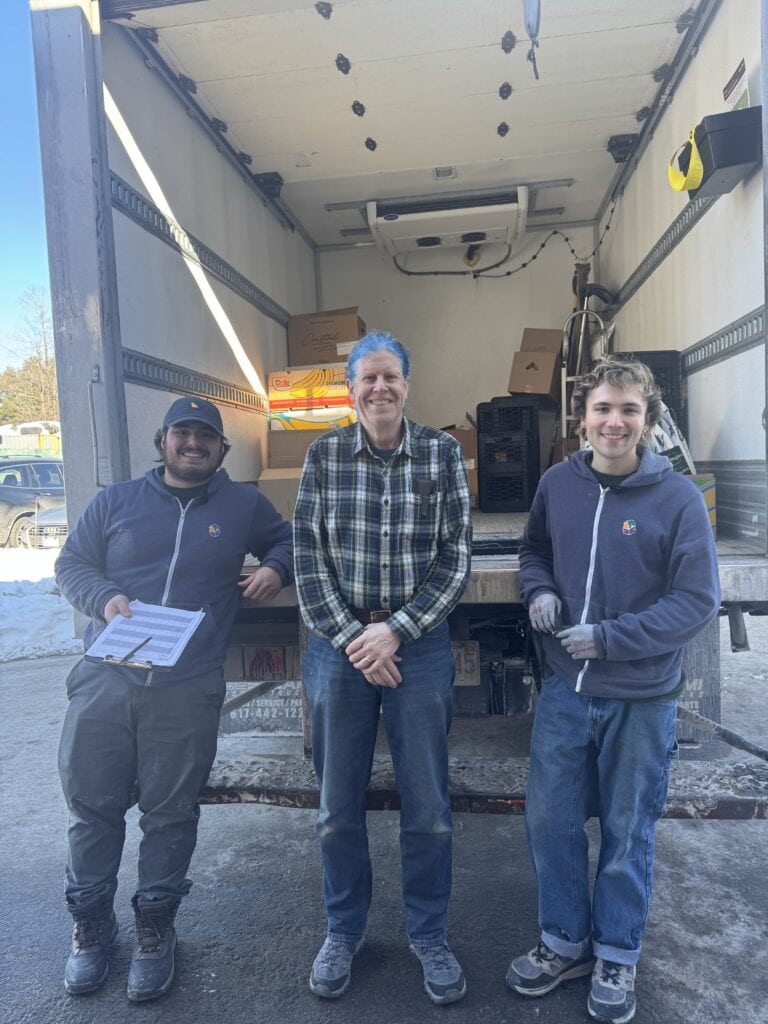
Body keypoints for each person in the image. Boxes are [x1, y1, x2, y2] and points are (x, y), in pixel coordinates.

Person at [55, 396, 293, 1002]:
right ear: (162, 441)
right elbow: (71, 564)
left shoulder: (243, 504)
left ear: (222, 449)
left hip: (186, 685)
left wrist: (275, 568)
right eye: (183, 434)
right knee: (93, 805)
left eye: (206, 437)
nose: (194, 444)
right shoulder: (115, 502)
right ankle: (91, 927)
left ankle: (156, 929)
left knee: (170, 812)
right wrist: (104, 597)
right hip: (107, 675)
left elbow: (291, 541)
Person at [506, 356, 720, 1023]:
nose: (614, 421)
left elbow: (697, 601)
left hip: (641, 696)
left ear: (648, 420)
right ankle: (564, 941)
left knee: (629, 828)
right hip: (566, 691)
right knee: (552, 819)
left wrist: (612, 637)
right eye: (603, 408)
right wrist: (537, 589)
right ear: (582, 420)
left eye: (629, 410)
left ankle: (618, 953)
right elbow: (532, 549)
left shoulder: (678, 498)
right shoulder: (556, 485)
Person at [293, 332, 472, 1005]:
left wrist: (395, 631)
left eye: (390, 377)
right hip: (338, 651)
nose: (379, 390)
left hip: (417, 645)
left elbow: (456, 557)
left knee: (428, 809)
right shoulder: (323, 456)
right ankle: (344, 931)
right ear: (350, 388)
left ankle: (429, 934)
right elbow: (307, 558)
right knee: (337, 810)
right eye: (367, 379)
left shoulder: (442, 452)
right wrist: (355, 637)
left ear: (407, 383)